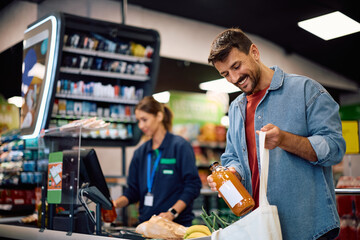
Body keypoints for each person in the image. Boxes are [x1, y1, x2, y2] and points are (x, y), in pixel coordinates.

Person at [206, 28, 346, 240]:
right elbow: (232, 156)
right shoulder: (236, 108)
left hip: (307, 228)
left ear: (254, 52)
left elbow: (335, 148)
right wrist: (233, 173)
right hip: (258, 227)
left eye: (236, 66)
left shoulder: (306, 90)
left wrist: (284, 140)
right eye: (225, 74)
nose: (234, 78)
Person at [113, 96, 202, 226]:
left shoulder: (180, 146)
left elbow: (192, 186)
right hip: (147, 225)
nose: (141, 125)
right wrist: (115, 204)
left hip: (176, 226)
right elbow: (133, 191)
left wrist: (172, 213)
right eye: (138, 121)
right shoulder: (140, 152)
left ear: (159, 116)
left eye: (144, 120)